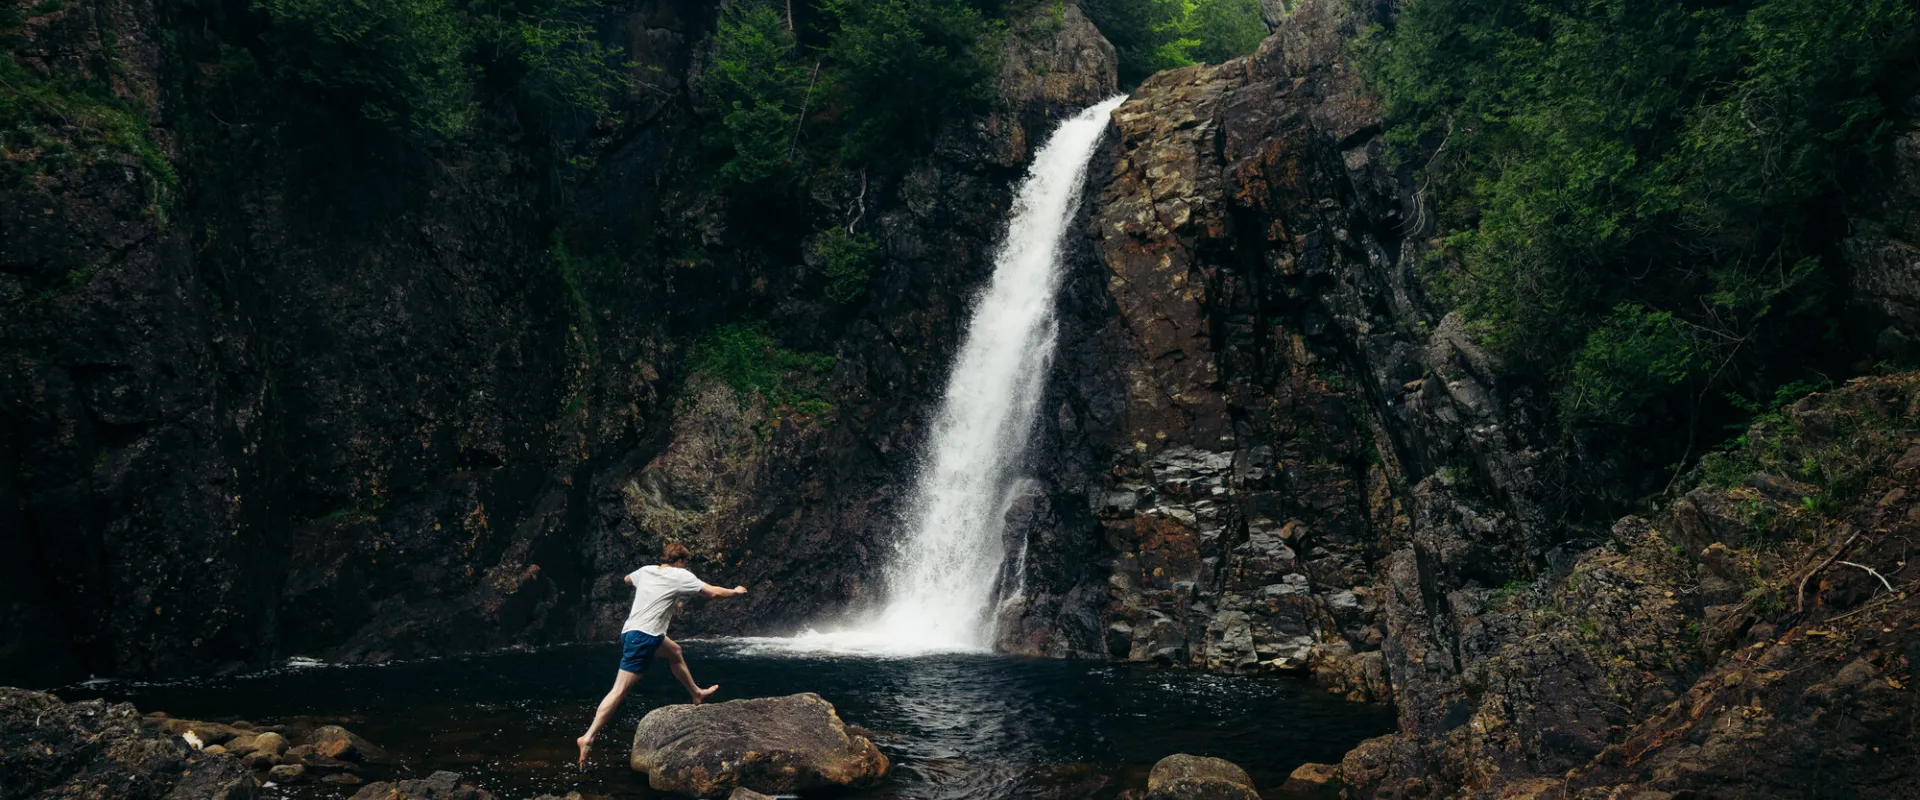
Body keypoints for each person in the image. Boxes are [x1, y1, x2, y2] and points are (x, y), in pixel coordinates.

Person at [575, 542, 747, 768]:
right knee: (619, 690)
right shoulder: (679, 575)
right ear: (680, 561)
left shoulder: (646, 570)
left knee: (675, 651)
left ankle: (696, 693)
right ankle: (588, 737)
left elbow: (627, 579)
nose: (686, 567)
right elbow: (713, 592)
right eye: (685, 563)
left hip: (634, 633)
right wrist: (735, 591)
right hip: (643, 638)